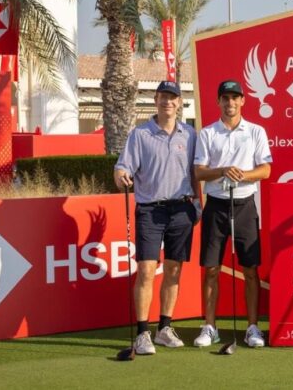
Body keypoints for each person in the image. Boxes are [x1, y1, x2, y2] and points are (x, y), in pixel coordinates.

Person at [113, 80, 201, 355]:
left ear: (179, 102)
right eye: (163, 97)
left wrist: (198, 204)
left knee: (174, 270)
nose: (167, 102)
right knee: (146, 270)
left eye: (172, 97)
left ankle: (164, 328)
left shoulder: (190, 134)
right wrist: (121, 176)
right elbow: (122, 168)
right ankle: (143, 333)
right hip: (151, 210)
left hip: (182, 209)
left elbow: (196, 173)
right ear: (156, 100)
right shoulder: (140, 134)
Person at [193, 79, 272, 348]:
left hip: (245, 205)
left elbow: (265, 170)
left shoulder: (256, 131)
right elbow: (199, 172)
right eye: (225, 98)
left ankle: (252, 327)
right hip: (215, 206)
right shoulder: (207, 133)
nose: (230, 103)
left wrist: (242, 174)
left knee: (250, 269)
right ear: (218, 101)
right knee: (211, 269)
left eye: (235, 98)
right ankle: (210, 327)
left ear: (242, 101)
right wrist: (223, 170)